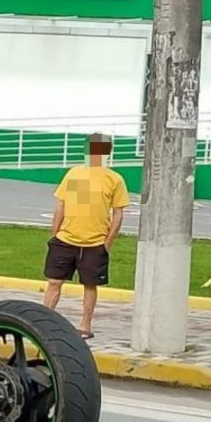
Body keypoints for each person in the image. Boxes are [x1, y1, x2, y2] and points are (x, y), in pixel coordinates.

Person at [43, 133, 131, 339]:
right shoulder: (74, 173)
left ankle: (85, 325)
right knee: (54, 282)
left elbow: (118, 213)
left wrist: (107, 243)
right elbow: (61, 205)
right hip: (65, 240)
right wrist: (55, 234)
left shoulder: (114, 179)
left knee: (90, 285)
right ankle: (45, 320)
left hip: (95, 243)